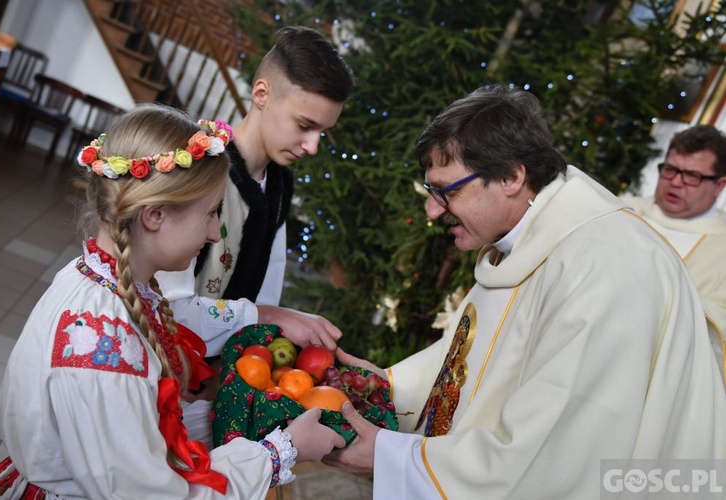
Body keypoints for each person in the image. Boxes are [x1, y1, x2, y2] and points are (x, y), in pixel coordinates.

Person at [322, 86, 726, 498]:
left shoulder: (602, 268)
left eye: (448, 191)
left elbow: (555, 453)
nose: (432, 210)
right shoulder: (531, 237)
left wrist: (393, 457)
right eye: (431, 190)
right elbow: (478, 356)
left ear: (512, 176)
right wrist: (383, 385)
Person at [0, 105, 345, 499]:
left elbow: (140, 429)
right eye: (210, 213)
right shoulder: (105, 347)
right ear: (154, 215)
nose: (214, 235)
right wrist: (280, 452)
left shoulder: (106, 283)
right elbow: (152, 493)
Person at [156, 26, 355, 359]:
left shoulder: (280, 183)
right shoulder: (199, 169)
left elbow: (268, 285)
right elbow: (167, 306)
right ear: (261, 94)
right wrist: (273, 317)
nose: (313, 145)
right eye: (305, 125)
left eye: (323, 131)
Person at [620, 125, 726, 382]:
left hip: (662, 375)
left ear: (719, 185)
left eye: (692, 176)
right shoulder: (621, 210)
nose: (676, 183)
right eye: (670, 170)